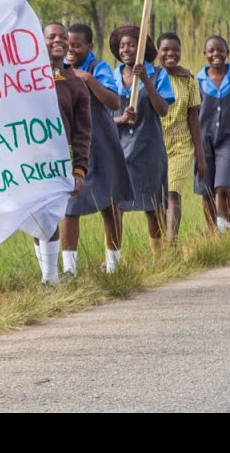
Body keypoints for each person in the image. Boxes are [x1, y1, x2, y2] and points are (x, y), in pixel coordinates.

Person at [64, 23, 132, 275]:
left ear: (90, 47)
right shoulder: (56, 69)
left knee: (110, 202)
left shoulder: (98, 68)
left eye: (77, 45)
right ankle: (69, 270)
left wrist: (88, 79)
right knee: (70, 207)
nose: (71, 49)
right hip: (72, 146)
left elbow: (114, 101)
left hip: (102, 142)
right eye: (67, 44)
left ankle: (113, 264)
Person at [108, 26, 174, 253]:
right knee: (115, 206)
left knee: (153, 206)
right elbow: (103, 115)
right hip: (118, 149)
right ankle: (113, 260)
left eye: (131, 45)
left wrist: (145, 80)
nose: (126, 49)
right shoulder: (111, 75)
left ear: (142, 49)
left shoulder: (158, 74)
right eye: (122, 46)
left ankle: (159, 256)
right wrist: (121, 119)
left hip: (149, 148)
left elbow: (164, 110)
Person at [33, 23, 91, 284]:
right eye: (51, 36)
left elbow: (82, 132)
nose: (58, 40)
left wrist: (79, 169)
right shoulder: (27, 79)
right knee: (37, 217)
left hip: (61, 162)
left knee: (49, 215)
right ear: (39, 41)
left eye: (62, 37)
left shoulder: (75, 84)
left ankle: (51, 279)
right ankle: (47, 273)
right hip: (32, 160)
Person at [194, 36, 230, 233]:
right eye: (211, 51)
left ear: (227, 53)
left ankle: (225, 226)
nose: (216, 54)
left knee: (223, 187)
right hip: (204, 141)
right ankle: (214, 233)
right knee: (207, 190)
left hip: (229, 140)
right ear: (205, 54)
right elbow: (194, 115)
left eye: (220, 50)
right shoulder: (198, 80)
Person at [158, 33, 206, 244]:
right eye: (165, 50)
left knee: (173, 192)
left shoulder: (189, 80)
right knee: (158, 198)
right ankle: (158, 243)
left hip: (181, 144)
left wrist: (200, 156)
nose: (171, 54)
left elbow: (194, 118)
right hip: (156, 144)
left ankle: (172, 242)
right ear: (157, 52)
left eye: (175, 50)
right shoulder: (152, 77)